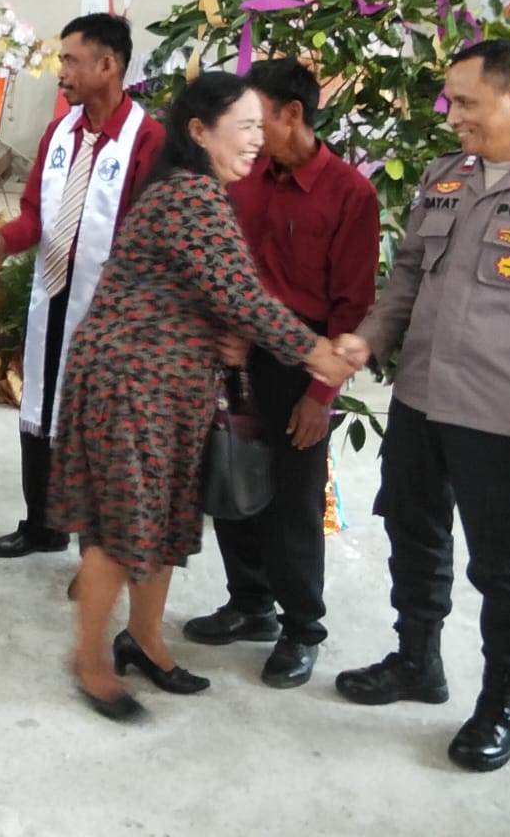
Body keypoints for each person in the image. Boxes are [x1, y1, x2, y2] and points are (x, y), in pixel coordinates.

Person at [333, 40, 510, 772]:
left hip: (503, 417)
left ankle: (504, 705)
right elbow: (405, 281)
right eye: (450, 101)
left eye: (465, 101)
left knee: (505, 566)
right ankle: (416, 661)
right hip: (420, 398)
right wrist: (367, 340)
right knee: (412, 530)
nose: (451, 115)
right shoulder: (443, 178)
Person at [50, 72, 355, 720]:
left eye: (258, 126)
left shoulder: (202, 190)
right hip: (130, 382)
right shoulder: (190, 195)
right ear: (199, 132)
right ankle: (90, 662)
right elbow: (240, 296)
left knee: (160, 519)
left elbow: (223, 297)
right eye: (243, 127)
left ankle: (145, 640)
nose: (255, 140)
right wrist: (317, 353)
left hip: (171, 387)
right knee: (118, 527)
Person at [183, 58, 380, 688]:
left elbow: (351, 306)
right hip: (232, 353)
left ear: (293, 114)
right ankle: (250, 604)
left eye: (256, 118)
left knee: (294, 502)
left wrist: (321, 395)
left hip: (300, 363)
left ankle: (301, 628)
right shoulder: (241, 177)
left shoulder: (349, 194)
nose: (246, 131)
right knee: (230, 473)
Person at [0, 14, 164, 559]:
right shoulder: (60, 133)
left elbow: (149, 235)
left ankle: (96, 552)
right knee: (39, 405)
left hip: (108, 311)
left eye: (71, 60)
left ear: (108, 65)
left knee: (94, 424)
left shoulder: (147, 140)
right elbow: (34, 214)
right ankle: (42, 524)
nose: (60, 71)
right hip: (52, 293)